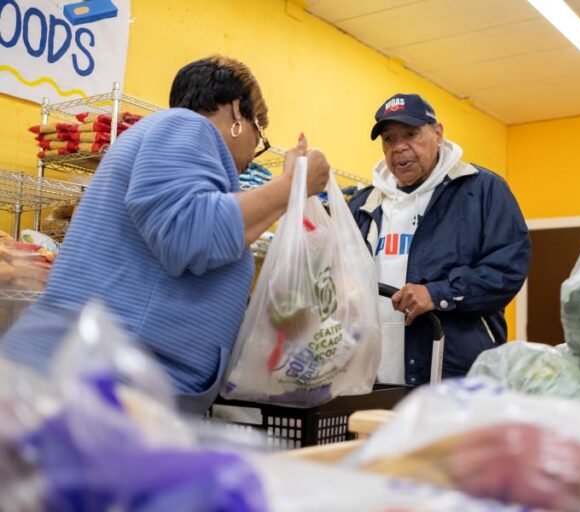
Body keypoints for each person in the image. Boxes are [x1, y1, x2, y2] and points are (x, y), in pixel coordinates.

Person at [1, 55, 330, 411]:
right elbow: (192, 236)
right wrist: (291, 185)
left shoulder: (170, 140)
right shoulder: (185, 127)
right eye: (259, 132)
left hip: (102, 382)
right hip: (94, 385)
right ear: (237, 112)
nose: (254, 152)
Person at [348, 93, 531, 386]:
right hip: (372, 378)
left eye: (411, 134)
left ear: (438, 133)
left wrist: (438, 293)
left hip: (453, 377)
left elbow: (507, 269)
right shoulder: (363, 205)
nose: (399, 148)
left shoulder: (482, 190)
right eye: (389, 139)